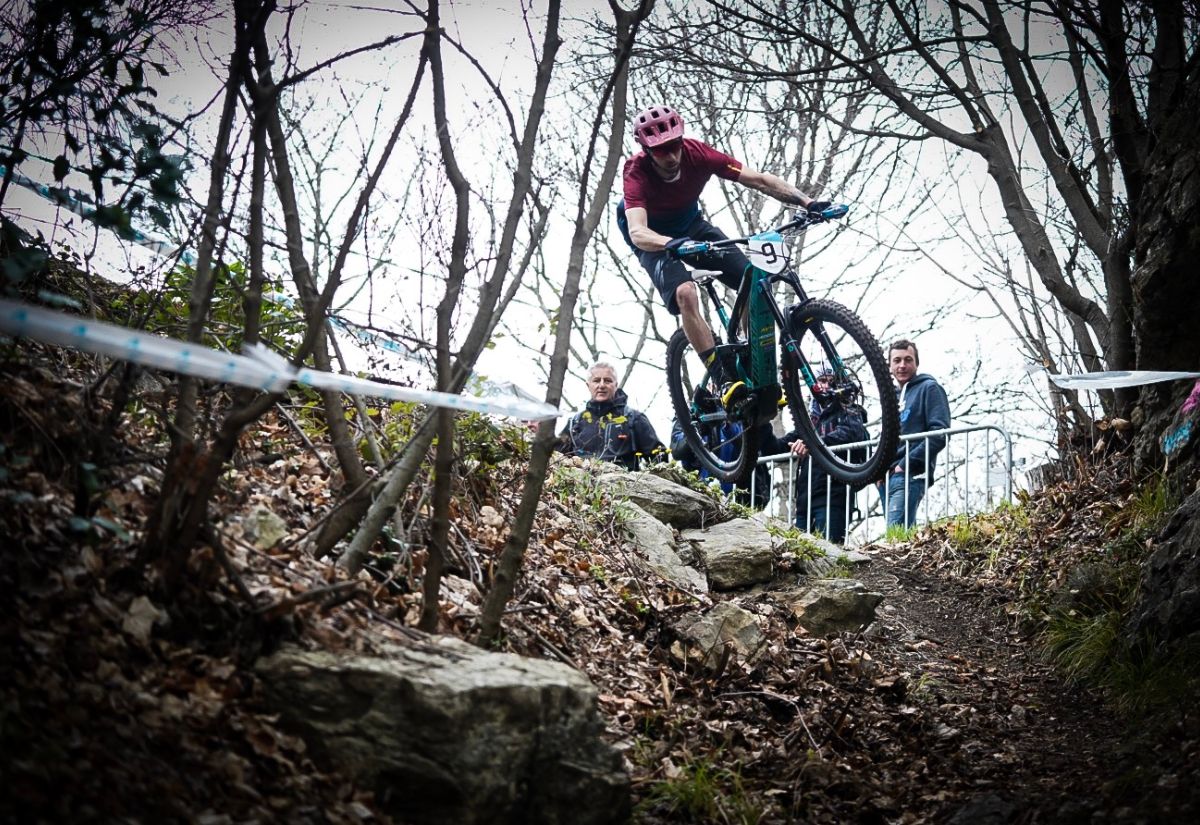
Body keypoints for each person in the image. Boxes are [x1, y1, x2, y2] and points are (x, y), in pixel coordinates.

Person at [616, 104, 826, 397]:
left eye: (674, 145)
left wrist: (808, 202)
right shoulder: (636, 171)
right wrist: (670, 244)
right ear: (647, 150)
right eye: (662, 151)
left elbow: (759, 179)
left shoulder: (698, 154)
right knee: (686, 293)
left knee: (751, 280)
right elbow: (638, 231)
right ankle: (722, 377)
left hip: (691, 226)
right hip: (653, 239)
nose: (672, 156)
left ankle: (753, 365)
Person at [789, 371, 870, 543]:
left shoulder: (851, 412)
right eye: (822, 381)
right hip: (804, 504)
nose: (825, 386)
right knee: (799, 556)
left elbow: (850, 433)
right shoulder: (809, 422)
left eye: (831, 382)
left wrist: (811, 444)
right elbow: (776, 447)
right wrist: (761, 420)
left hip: (833, 499)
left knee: (830, 552)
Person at [880, 339, 951, 528]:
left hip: (910, 473)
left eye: (908, 359)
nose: (902, 365)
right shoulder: (891, 398)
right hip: (887, 476)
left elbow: (939, 434)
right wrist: (877, 471)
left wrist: (905, 465)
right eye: (897, 360)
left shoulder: (930, 388)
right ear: (890, 366)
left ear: (916, 363)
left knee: (896, 532)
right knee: (898, 534)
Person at [556, 361, 665, 470]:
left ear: (616, 385)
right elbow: (556, 460)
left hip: (623, 480)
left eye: (607, 381)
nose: (602, 385)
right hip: (583, 480)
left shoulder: (634, 418)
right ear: (588, 385)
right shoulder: (574, 423)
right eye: (596, 380)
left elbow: (660, 458)